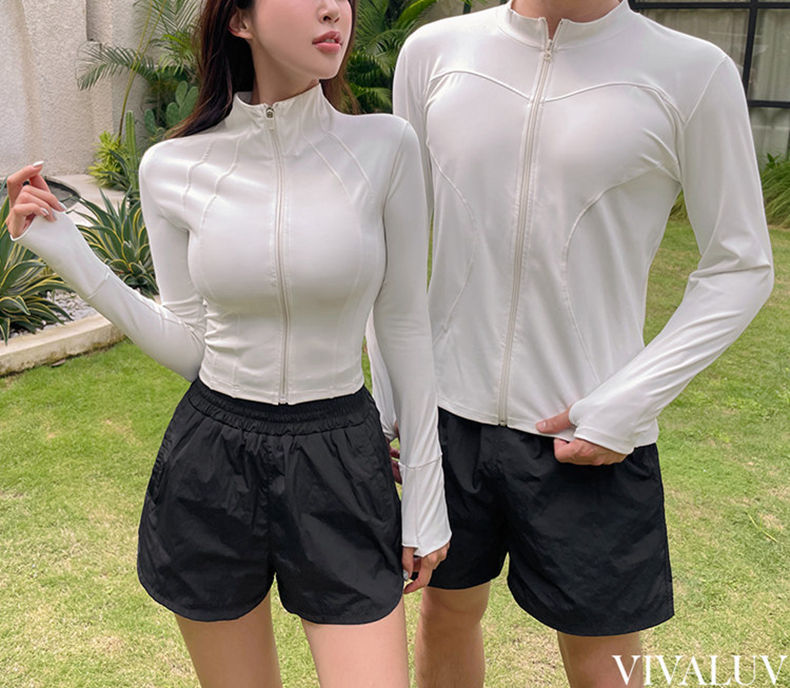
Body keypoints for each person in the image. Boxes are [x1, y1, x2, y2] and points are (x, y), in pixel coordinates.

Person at [5, 0, 451, 686]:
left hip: (340, 449)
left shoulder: (386, 146)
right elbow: (193, 346)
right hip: (213, 458)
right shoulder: (171, 167)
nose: (334, 9)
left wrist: (426, 491)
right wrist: (71, 253)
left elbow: (405, 324)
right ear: (239, 21)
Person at [365, 0, 774, 685]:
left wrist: (627, 404)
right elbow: (393, 247)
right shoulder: (434, 53)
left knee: (600, 651)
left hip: (589, 428)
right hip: (444, 419)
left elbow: (741, 265)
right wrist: (386, 402)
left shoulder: (691, 73)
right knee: (445, 609)